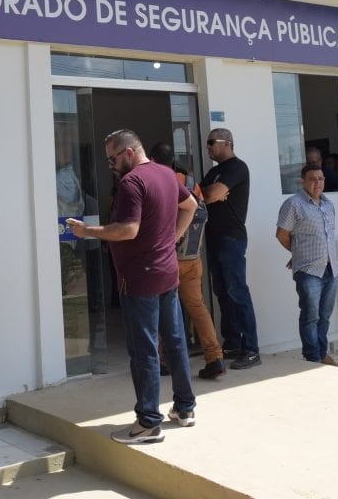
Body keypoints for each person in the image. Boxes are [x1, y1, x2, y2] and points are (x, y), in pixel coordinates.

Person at [67, 130, 198, 444]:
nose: (110, 165)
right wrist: (172, 239)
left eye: (112, 158)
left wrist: (88, 231)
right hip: (167, 272)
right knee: (175, 341)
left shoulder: (131, 183)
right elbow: (191, 205)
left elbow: (128, 229)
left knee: (144, 350)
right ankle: (185, 407)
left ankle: (148, 423)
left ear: (128, 152)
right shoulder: (166, 174)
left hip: (139, 278)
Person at [148, 142, 226, 380]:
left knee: (163, 309)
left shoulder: (159, 180)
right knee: (198, 308)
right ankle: (215, 357)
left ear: (152, 160)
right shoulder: (191, 182)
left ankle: (165, 360)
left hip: (168, 258)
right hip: (193, 256)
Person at [201, 128, 261, 370]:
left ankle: (252, 349)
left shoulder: (238, 167)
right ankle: (233, 342)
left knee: (237, 291)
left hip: (232, 238)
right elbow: (201, 195)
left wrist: (213, 194)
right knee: (222, 293)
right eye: (207, 143)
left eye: (212, 142)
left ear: (228, 143)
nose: (208, 147)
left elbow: (211, 194)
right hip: (213, 237)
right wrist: (211, 194)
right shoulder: (215, 172)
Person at [275, 163, 338, 364]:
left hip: (331, 268)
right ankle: (312, 356)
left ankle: (322, 353)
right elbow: (282, 234)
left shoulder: (329, 204)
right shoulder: (293, 204)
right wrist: (297, 253)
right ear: (303, 181)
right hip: (309, 270)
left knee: (325, 316)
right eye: (312, 179)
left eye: (320, 179)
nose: (317, 183)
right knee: (310, 316)